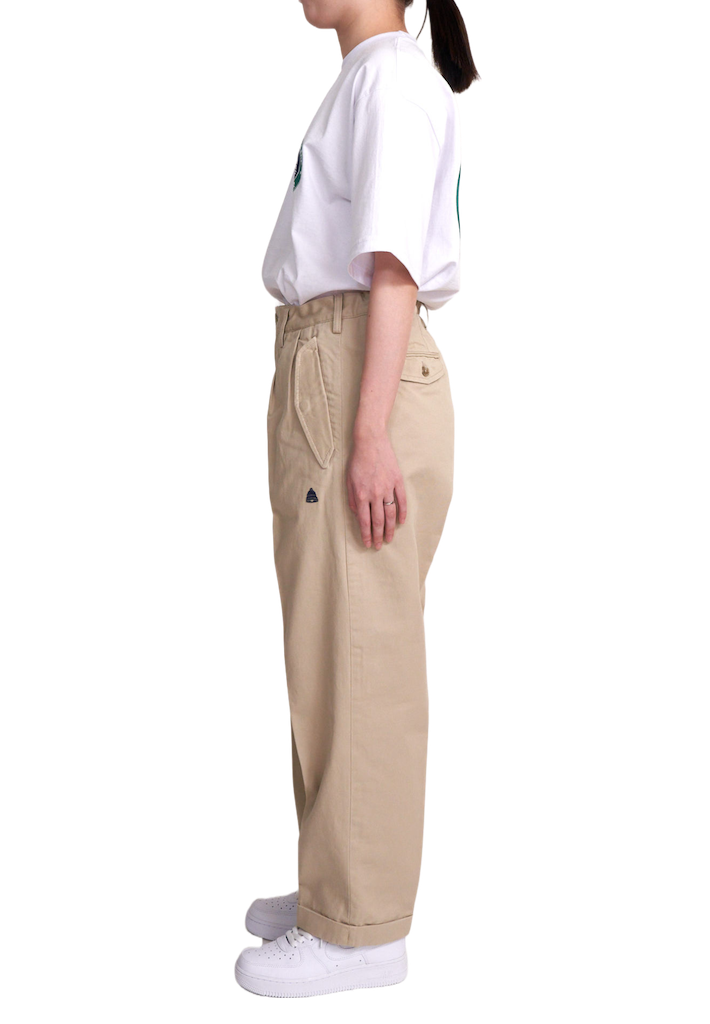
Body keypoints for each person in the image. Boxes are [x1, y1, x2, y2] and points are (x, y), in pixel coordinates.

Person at [234, 0, 482, 999]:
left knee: (362, 652)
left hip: (353, 368)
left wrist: (368, 430)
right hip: (333, 360)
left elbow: (392, 265)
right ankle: (335, 886)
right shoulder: (367, 77)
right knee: (331, 644)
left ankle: (362, 933)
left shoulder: (387, 77)